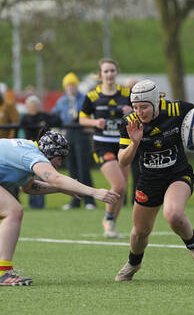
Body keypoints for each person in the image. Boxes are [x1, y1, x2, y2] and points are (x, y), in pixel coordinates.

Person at [114, 79, 194, 282]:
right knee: (139, 232)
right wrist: (134, 143)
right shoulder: (130, 122)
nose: (139, 111)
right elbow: (122, 161)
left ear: (156, 102)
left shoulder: (176, 109)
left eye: (144, 106)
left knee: (173, 214)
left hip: (178, 174)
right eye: (135, 107)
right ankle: (134, 263)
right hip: (149, 180)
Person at [0, 128, 119, 286]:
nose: (59, 163)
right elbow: (55, 178)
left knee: (10, 210)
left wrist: (62, 189)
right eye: (59, 157)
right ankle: (3, 272)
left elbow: (29, 187)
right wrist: (94, 192)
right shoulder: (32, 155)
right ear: (50, 151)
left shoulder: (28, 151)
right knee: (12, 211)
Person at [79, 59, 132, 238]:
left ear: (117, 72)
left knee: (122, 189)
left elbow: (140, 114)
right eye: (106, 71)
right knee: (118, 184)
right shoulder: (92, 96)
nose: (109, 74)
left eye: (112, 71)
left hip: (123, 144)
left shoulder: (127, 93)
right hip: (102, 144)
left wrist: (131, 112)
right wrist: (95, 122)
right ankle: (108, 219)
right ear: (100, 75)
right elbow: (82, 119)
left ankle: (111, 226)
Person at [52, 72, 96, 211]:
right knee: (71, 167)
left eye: (73, 85)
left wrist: (90, 126)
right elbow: (54, 116)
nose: (71, 87)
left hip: (81, 134)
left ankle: (89, 200)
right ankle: (75, 200)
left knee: (83, 167)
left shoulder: (84, 98)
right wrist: (60, 129)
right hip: (68, 135)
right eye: (68, 85)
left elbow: (92, 114)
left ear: (76, 86)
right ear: (65, 87)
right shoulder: (62, 101)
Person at [20, 94, 62, 209]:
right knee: (29, 177)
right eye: (31, 105)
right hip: (28, 151)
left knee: (41, 176)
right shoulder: (25, 118)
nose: (33, 107)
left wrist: (45, 125)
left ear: (38, 106)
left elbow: (57, 120)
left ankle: (40, 205)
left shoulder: (43, 116)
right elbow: (28, 126)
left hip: (41, 151)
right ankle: (32, 205)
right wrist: (40, 125)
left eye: (35, 105)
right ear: (27, 107)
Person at [0, 91, 20, 200]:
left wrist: (10, 142)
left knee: (10, 173)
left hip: (6, 147)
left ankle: (14, 198)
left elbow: (15, 124)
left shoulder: (8, 106)